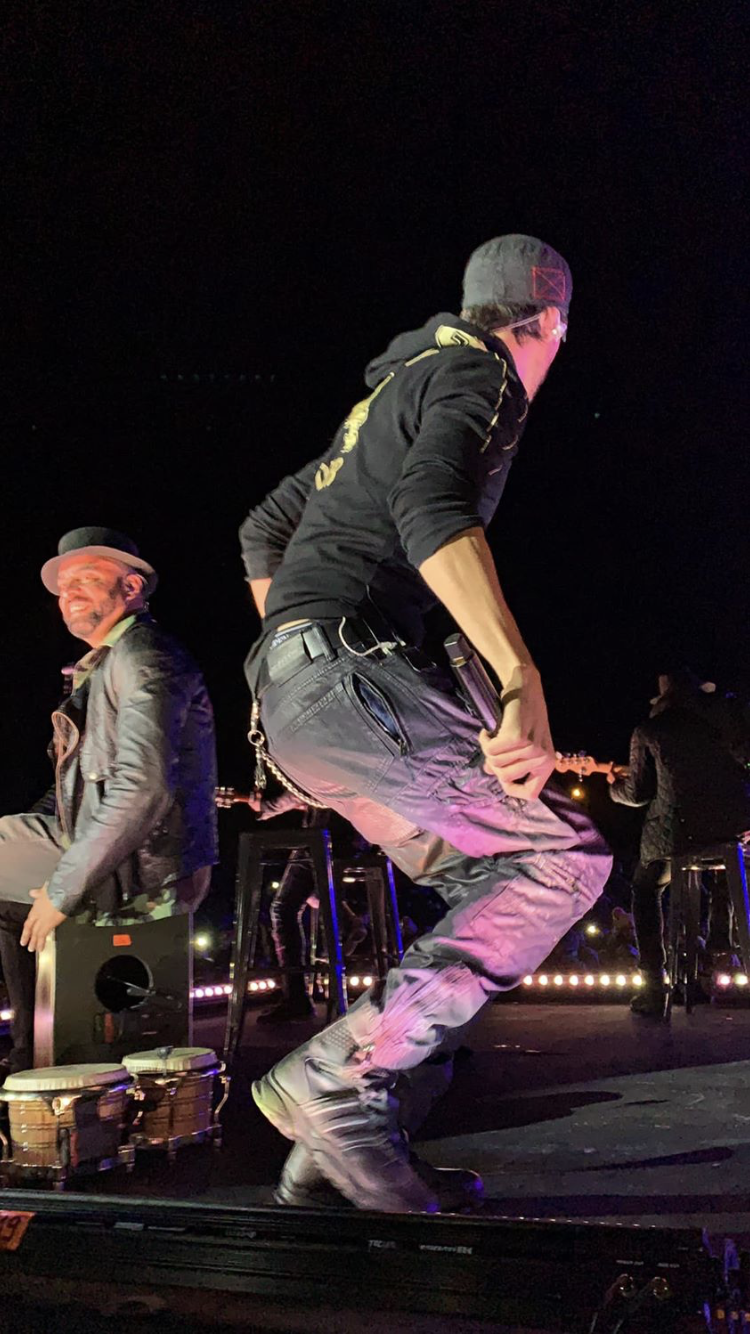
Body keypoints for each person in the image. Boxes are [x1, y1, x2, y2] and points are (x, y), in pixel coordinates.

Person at [240, 234, 612, 1213]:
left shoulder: (388, 392)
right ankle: (338, 1079)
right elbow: (433, 508)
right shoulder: (482, 374)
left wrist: (293, 651)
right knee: (560, 864)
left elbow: (263, 528)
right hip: (345, 682)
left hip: (299, 705)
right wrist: (519, 675)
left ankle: (338, 1145)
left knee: (489, 886)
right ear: (548, 322)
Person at [0, 527, 218, 1077]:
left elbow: (145, 786)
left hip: (149, 868)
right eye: (63, 586)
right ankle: (29, 1060)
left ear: (132, 587)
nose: (68, 593)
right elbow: (70, 792)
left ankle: (30, 1061)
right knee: (7, 883)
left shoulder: (145, 655)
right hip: (113, 851)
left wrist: (62, 888)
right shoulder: (106, 664)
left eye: (86, 579)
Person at [609, 668, 750, 1017]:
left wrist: (613, 787)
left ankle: (653, 985)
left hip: (677, 835)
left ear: (662, 700)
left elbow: (638, 793)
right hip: (731, 832)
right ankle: (706, 969)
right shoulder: (723, 723)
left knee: (645, 890)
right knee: (714, 879)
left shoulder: (649, 730)